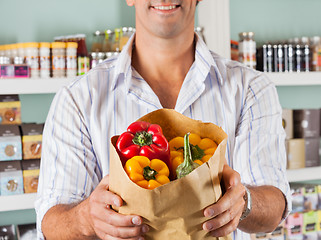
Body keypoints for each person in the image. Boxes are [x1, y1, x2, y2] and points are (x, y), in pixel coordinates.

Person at [35, 0, 292, 239]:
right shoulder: (78, 99)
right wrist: (85, 219)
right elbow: (50, 221)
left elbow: (274, 206)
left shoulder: (251, 89)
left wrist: (244, 202)